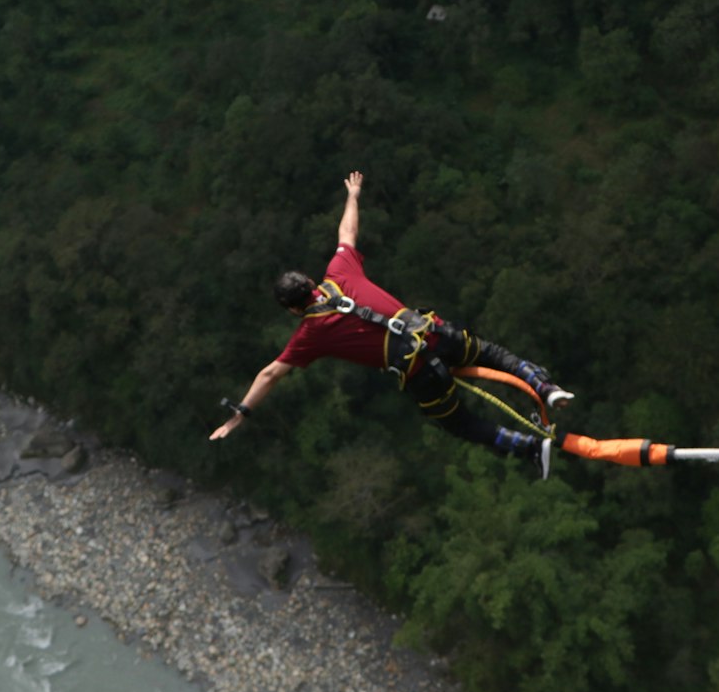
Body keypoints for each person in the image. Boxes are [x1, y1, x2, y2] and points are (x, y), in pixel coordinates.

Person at [209, 171, 573, 476]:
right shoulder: (339, 271)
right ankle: (545, 386)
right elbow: (346, 233)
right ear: (310, 282)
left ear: (291, 310)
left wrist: (239, 416)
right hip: (436, 334)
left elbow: (270, 374)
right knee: (494, 355)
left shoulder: (311, 334)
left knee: (460, 424)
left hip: (421, 374)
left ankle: (530, 448)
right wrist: (353, 195)